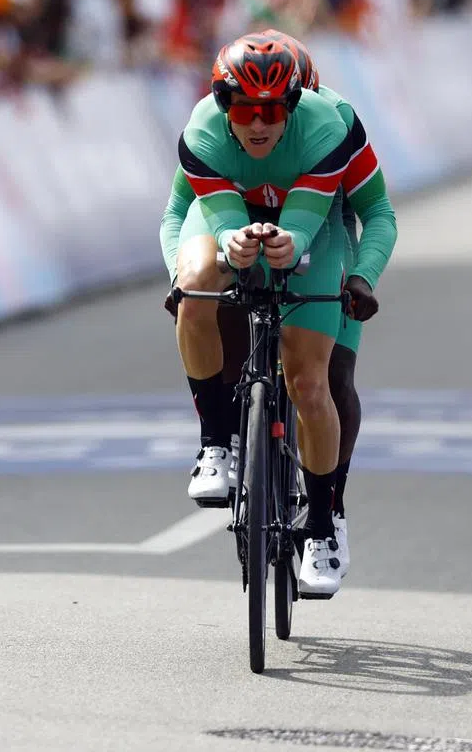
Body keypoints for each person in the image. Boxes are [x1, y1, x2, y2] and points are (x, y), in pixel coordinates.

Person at [160, 29, 397, 580]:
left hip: (318, 231)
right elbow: (182, 214)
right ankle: (218, 441)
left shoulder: (330, 125)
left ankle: (324, 516)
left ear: (299, 101)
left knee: (321, 382)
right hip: (233, 223)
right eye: (244, 110)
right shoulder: (204, 132)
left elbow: (369, 213)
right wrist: (186, 273)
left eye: (274, 109)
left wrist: (361, 277)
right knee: (202, 295)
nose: (260, 124)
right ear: (224, 106)